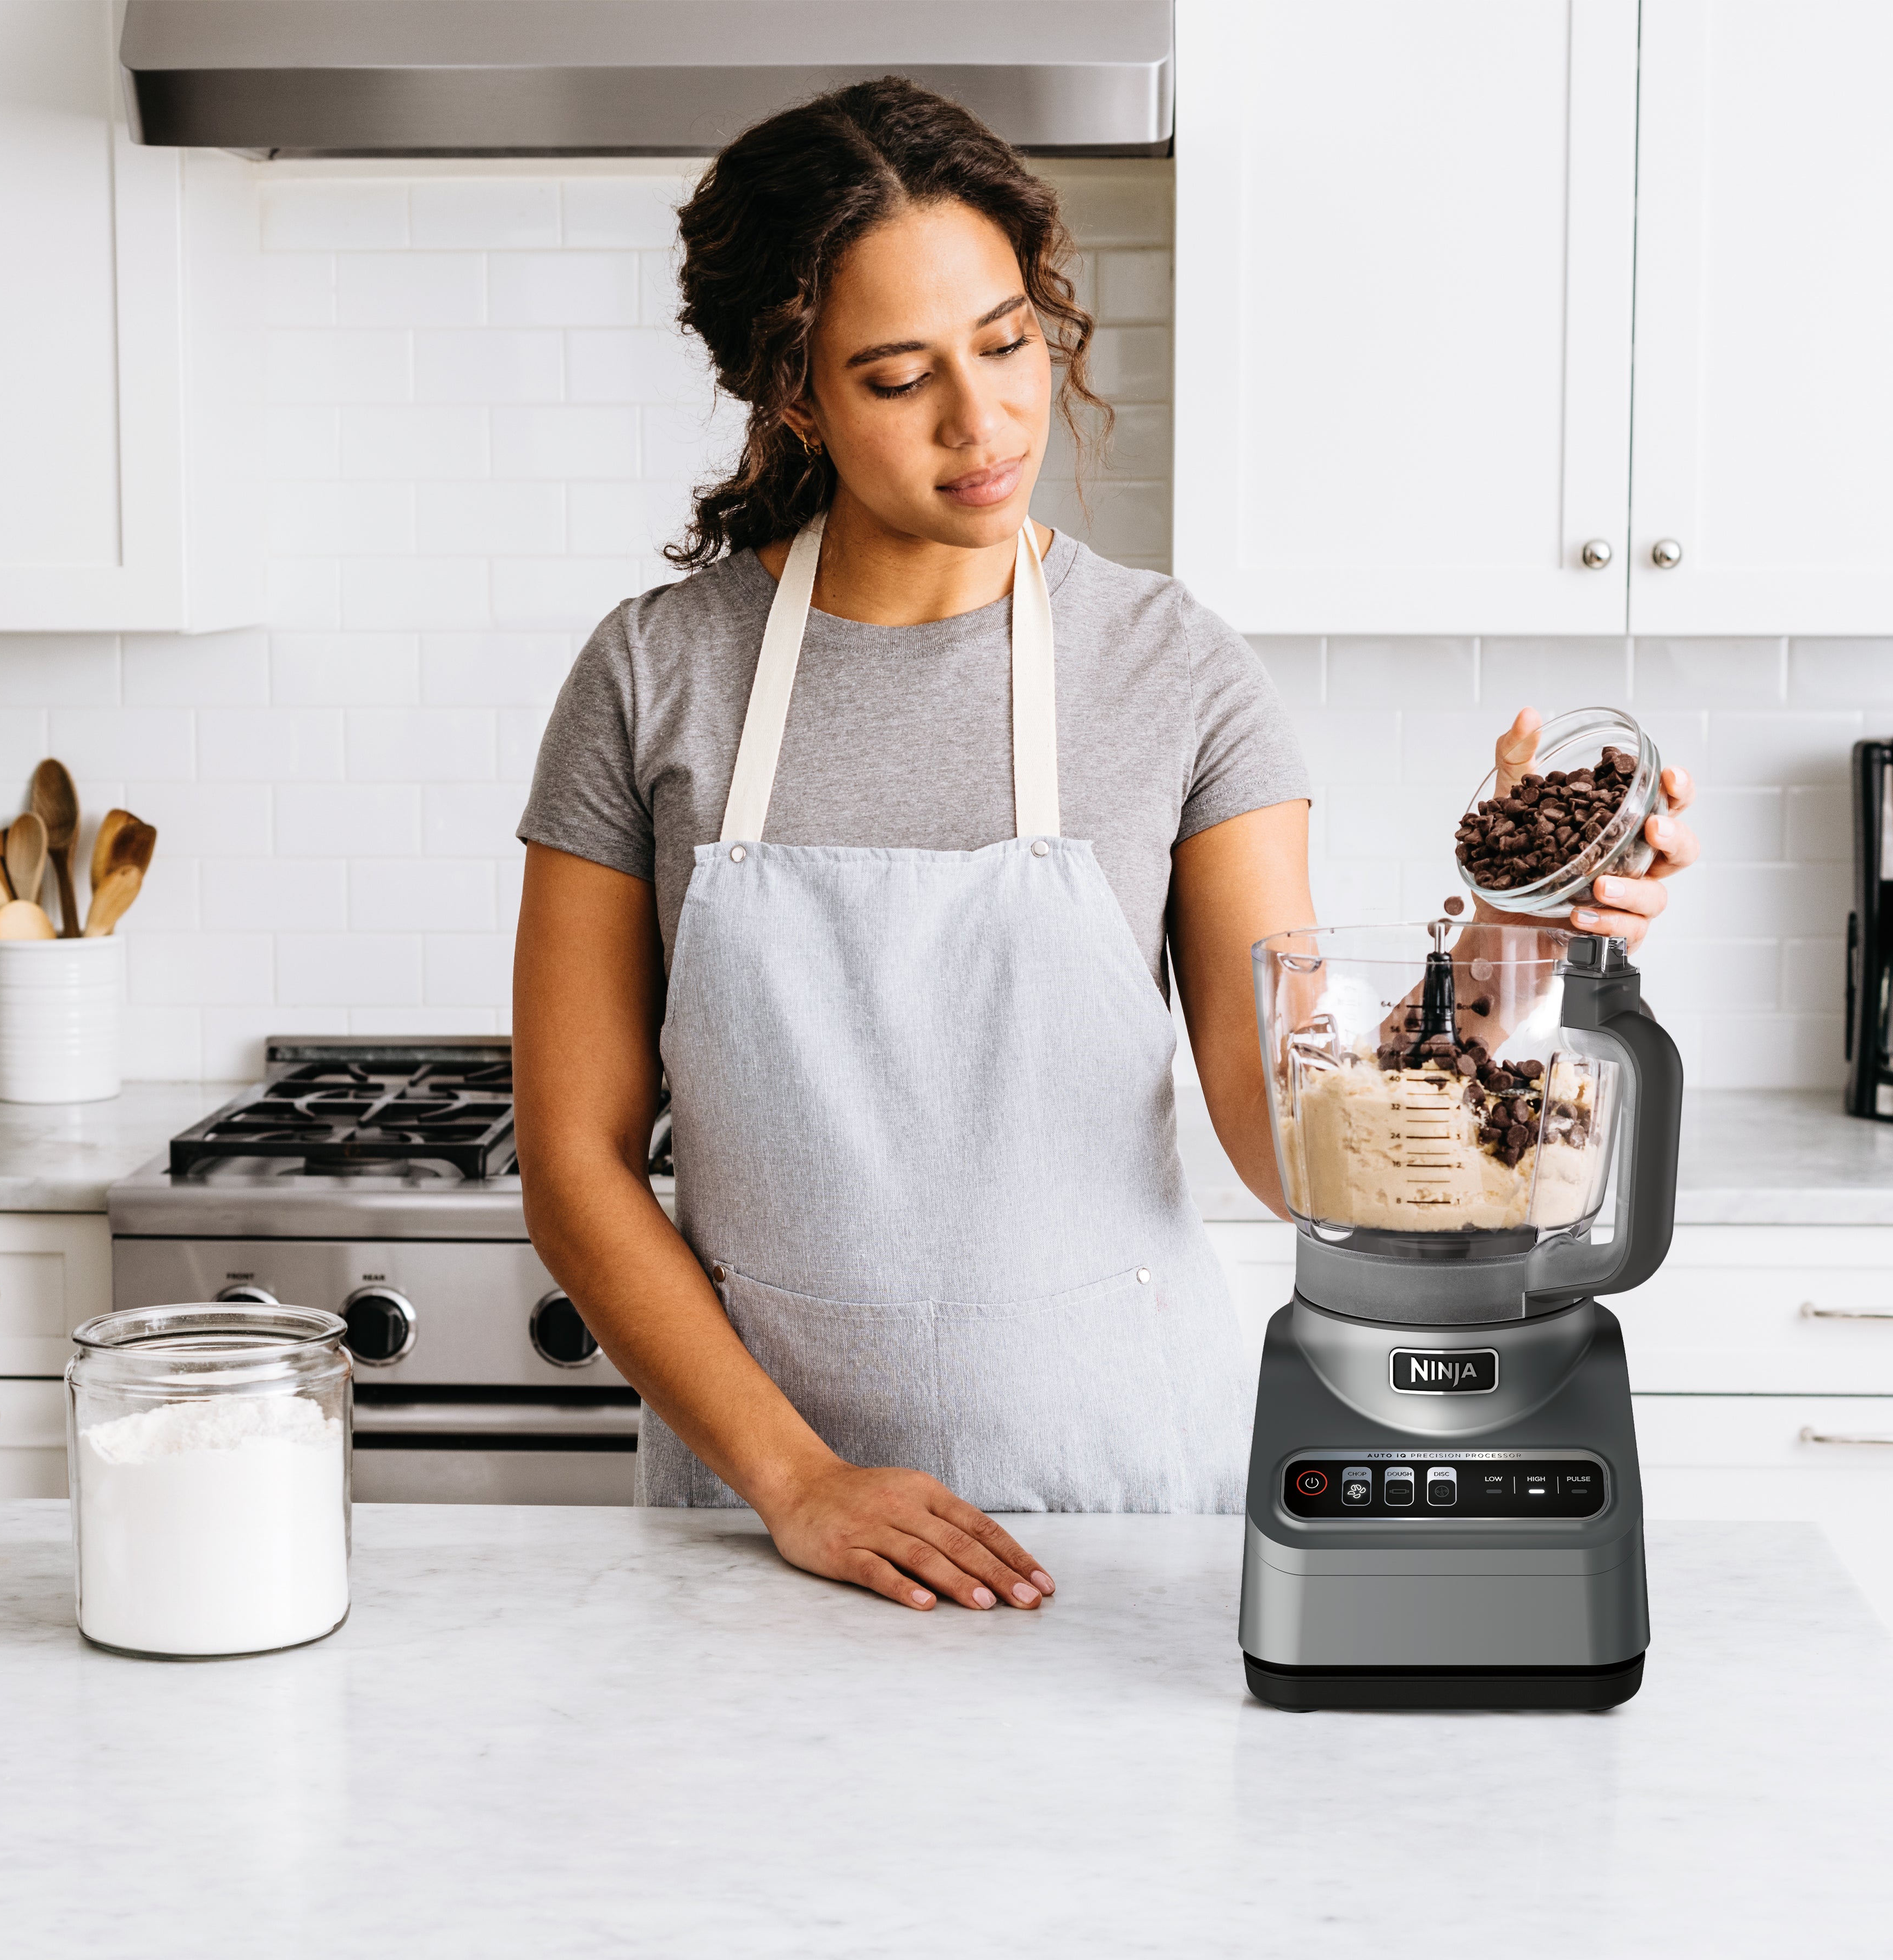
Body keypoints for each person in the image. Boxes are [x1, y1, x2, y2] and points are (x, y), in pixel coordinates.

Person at [512, 78, 1699, 1616]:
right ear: (793, 393)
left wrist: (1522, 935)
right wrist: (797, 1483)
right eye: (897, 377)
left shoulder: (1173, 669)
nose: (985, 419)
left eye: (1006, 342)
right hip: (759, 1527)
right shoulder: (654, 676)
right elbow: (572, 1163)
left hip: (1128, 1522)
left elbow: (1299, 1146)